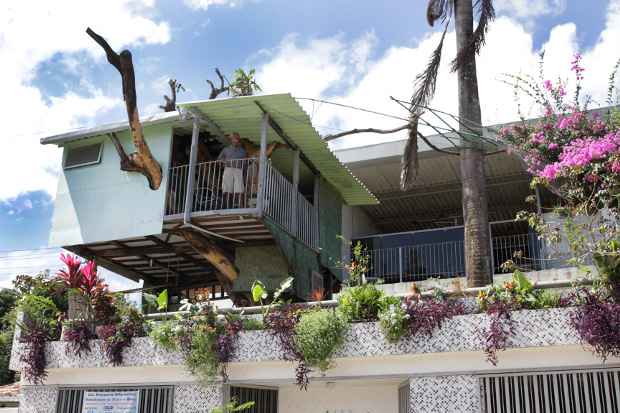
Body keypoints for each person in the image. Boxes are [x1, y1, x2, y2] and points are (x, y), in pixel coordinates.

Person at [218, 132, 248, 207]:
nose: (236, 140)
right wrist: (224, 162)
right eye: (234, 138)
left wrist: (244, 172)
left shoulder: (243, 151)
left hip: (238, 170)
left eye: (237, 139)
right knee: (227, 189)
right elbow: (219, 159)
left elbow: (245, 163)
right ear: (231, 140)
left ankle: (241, 209)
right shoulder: (226, 149)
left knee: (239, 190)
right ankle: (227, 209)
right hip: (228, 169)